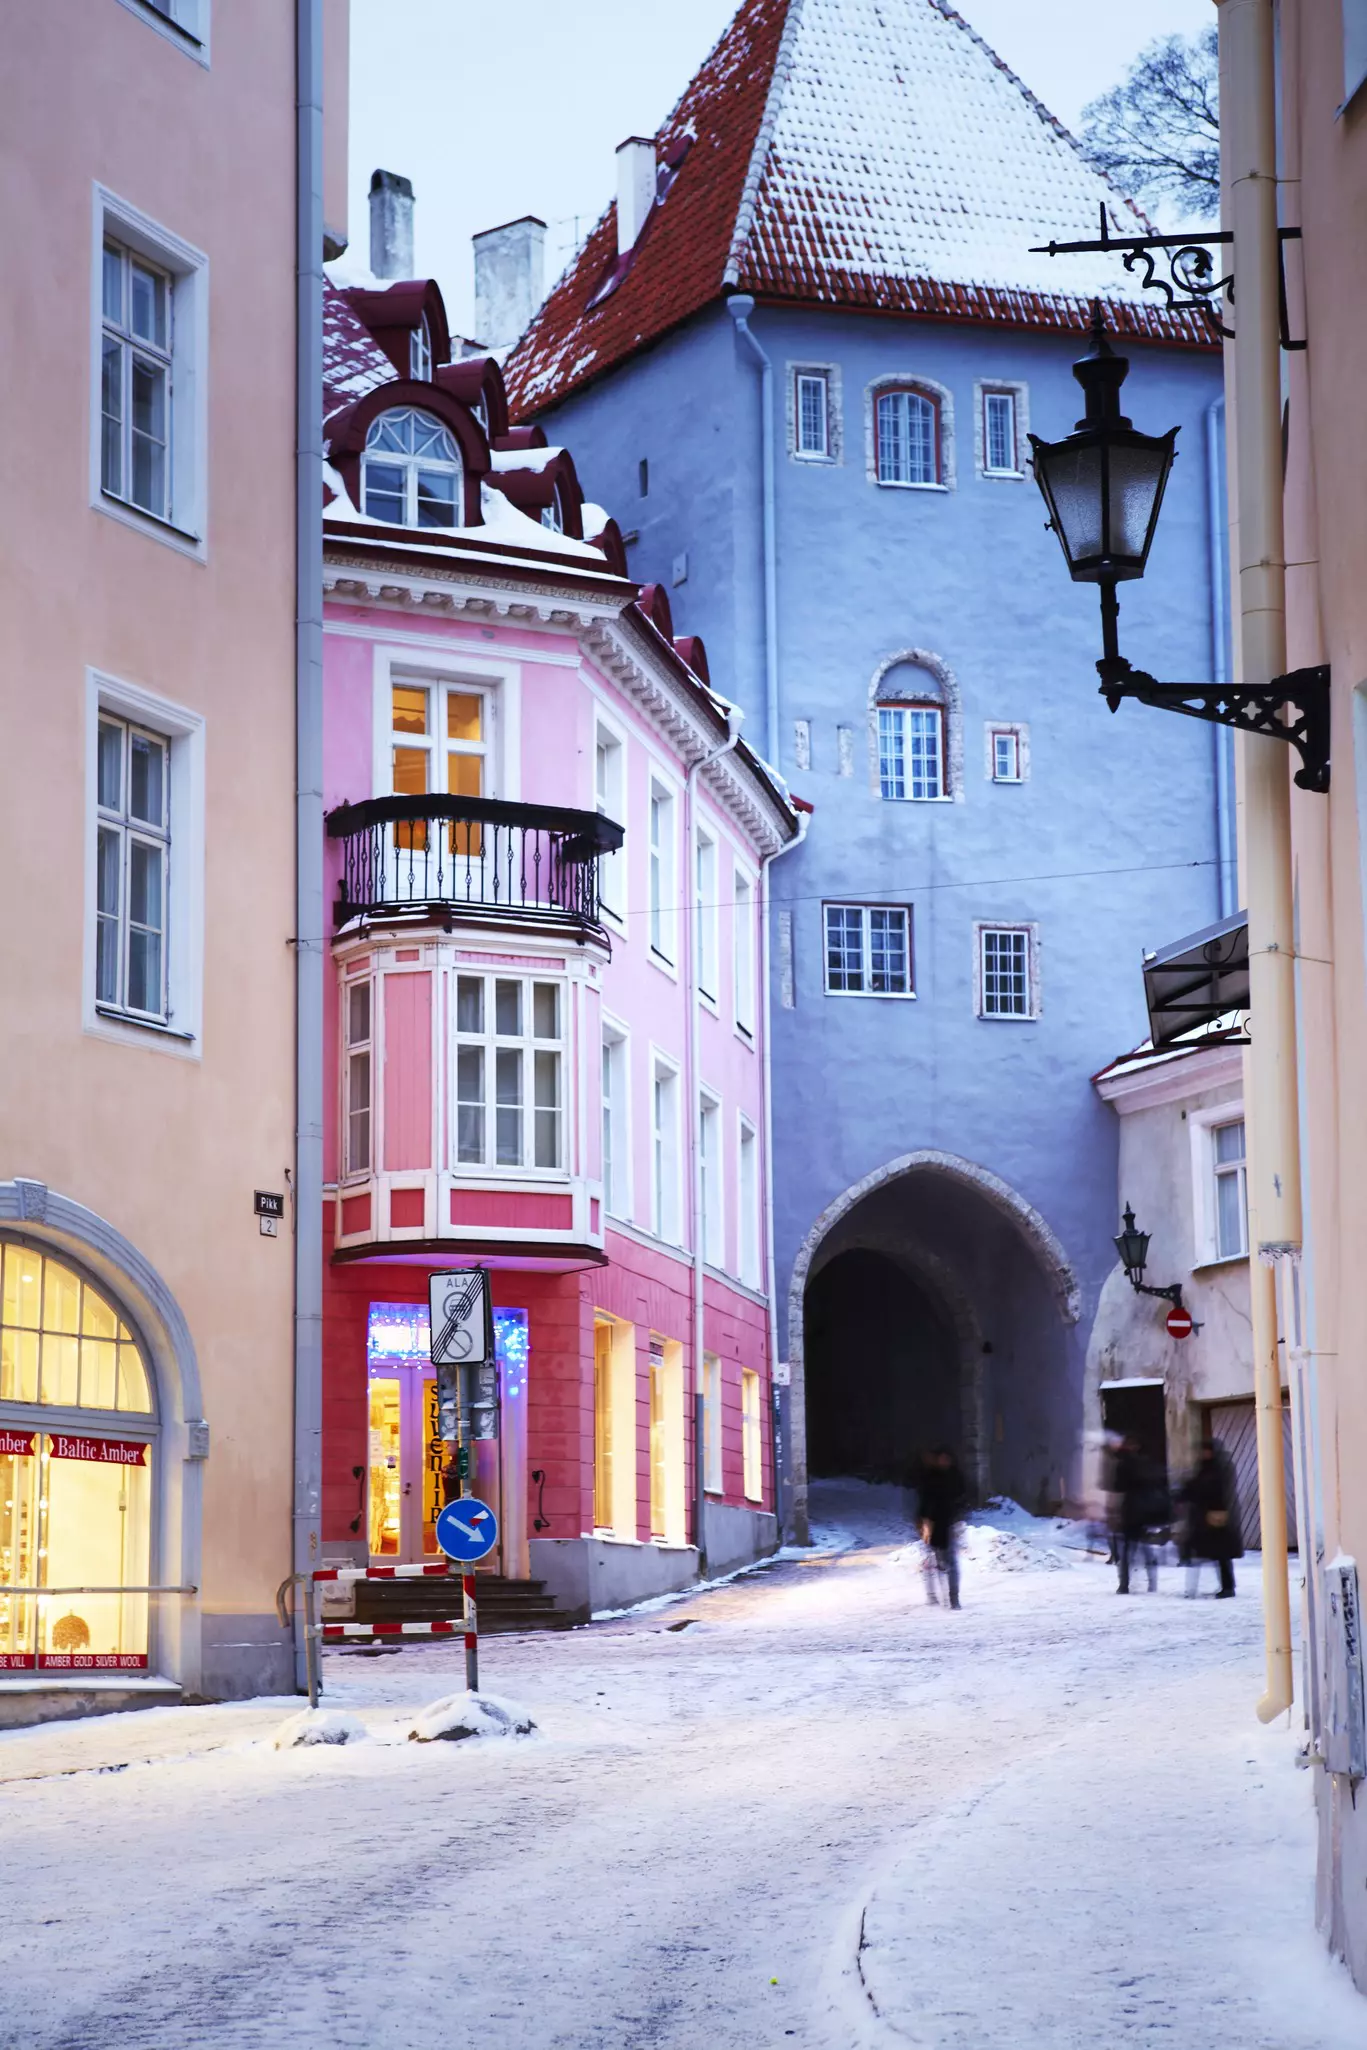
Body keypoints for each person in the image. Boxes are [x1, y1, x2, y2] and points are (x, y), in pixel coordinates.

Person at [1179, 1440, 1243, 1597]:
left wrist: (1190, 1488)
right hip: (1207, 1515)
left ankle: (1227, 1587)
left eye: (1205, 1450)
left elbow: (1212, 1488)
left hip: (1218, 1515)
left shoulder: (1219, 1467)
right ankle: (1221, 1586)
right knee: (1215, 1553)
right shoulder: (1207, 1466)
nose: (1203, 1453)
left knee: (1221, 1553)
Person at [1111, 1435, 1168, 1594]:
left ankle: (1125, 1584)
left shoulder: (1125, 1464)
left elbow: (1118, 1486)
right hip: (1147, 1510)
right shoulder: (1148, 1463)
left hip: (1132, 1510)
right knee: (1143, 1547)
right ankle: (1150, 1583)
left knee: (1129, 1549)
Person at [917, 1448, 968, 1610]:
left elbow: (963, 1498)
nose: (944, 1462)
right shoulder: (931, 1478)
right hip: (933, 1525)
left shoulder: (956, 1477)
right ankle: (934, 1595)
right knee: (934, 1561)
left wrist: (959, 1519)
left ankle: (953, 1598)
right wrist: (924, 1523)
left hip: (949, 1524)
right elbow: (925, 1502)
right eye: (942, 1459)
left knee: (950, 1562)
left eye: (947, 1459)